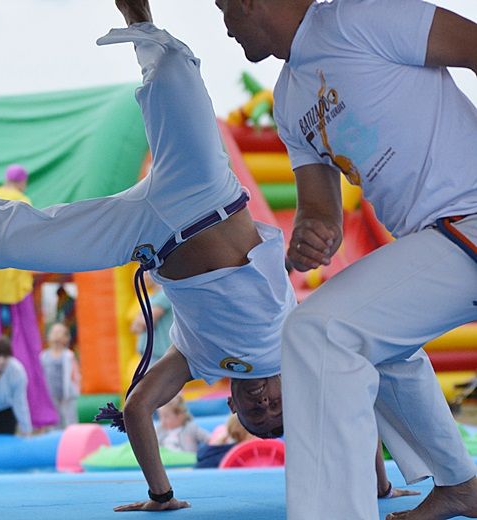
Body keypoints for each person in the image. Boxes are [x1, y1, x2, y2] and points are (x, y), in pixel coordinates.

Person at [0, 0, 296, 511]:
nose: (264, 405)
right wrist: (376, 485)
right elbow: (356, 395)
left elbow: (136, 411)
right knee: (173, 74)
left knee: (10, 246)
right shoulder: (296, 346)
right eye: (277, 408)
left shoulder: (195, 358)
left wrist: (161, 495)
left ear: (231, 404)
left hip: (147, 237)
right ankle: (138, 14)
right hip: (204, 195)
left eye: (257, 416)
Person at [212, 0, 477, 518]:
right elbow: (319, 208)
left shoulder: (360, 18)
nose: (225, 27)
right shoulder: (289, 99)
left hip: (468, 215)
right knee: (375, 342)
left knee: (319, 332)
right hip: (440, 240)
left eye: (225, 8)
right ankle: (461, 482)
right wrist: (312, 233)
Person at [0, 163, 59, 430]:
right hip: (16, 286)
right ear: (22, 181)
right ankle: (35, 414)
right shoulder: (23, 201)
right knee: (27, 347)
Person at [39, 323, 81, 428]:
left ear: (66, 338)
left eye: (59, 333)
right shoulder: (44, 356)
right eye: (54, 332)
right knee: (53, 421)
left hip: (66, 395)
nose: (56, 335)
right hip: (51, 395)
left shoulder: (68, 355)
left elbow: (75, 375)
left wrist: (74, 390)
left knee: (69, 420)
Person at [129, 272, 172, 366]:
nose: (144, 278)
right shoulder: (151, 297)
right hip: (150, 355)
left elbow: (143, 323)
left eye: (146, 274)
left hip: (158, 356)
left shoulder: (163, 295)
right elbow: (134, 327)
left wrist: (139, 320)